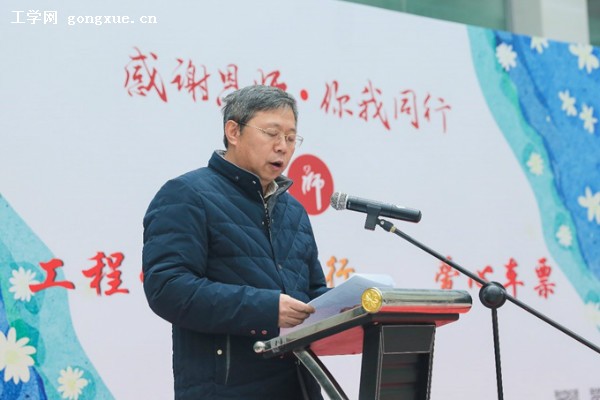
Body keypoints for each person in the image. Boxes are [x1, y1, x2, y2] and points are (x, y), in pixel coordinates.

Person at [142, 85, 329, 399]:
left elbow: (312, 293)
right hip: (226, 389)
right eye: (272, 133)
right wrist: (266, 309)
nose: (282, 147)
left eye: (290, 137)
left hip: (298, 388)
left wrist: (353, 307)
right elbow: (168, 288)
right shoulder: (188, 195)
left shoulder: (293, 211)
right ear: (233, 131)